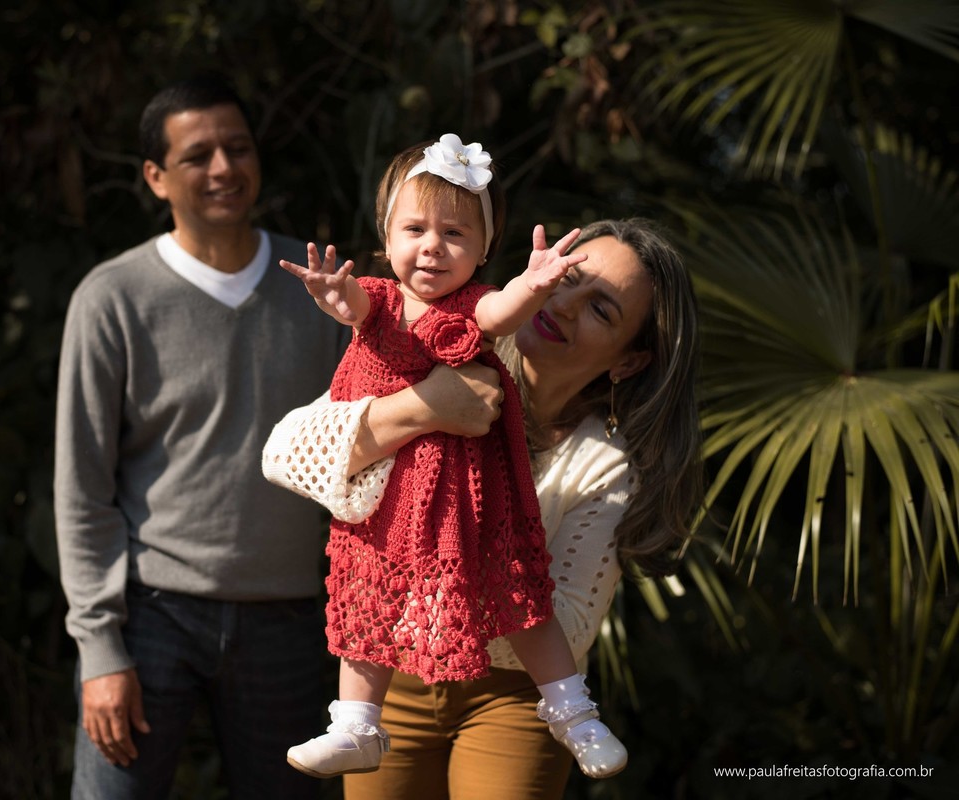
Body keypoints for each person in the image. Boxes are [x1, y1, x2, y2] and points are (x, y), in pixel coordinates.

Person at [263, 217, 703, 799]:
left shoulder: (606, 462)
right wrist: (425, 408)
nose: (564, 305)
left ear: (629, 361)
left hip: (519, 696)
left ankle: (576, 720)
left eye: (601, 310)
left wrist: (443, 574)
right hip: (390, 677)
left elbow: (570, 628)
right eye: (566, 279)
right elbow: (283, 455)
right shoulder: (437, 350)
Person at [275, 135, 627, 780]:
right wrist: (336, 298)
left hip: (472, 503)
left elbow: (500, 311)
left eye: (455, 233)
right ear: (387, 240)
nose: (433, 246)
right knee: (365, 600)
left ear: (484, 249)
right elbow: (358, 306)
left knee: (523, 595)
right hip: (388, 504)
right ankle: (355, 726)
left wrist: (533, 285)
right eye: (415, 229)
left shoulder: (470, 305)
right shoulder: (380, 300)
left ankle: (574, 713)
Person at [53, 74, 344, 800]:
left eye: (238, 148)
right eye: (197, 155)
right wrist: (99, 648)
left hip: (287, 616)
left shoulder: (320, 291)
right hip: (149, 614)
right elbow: (82, 488)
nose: (223, 168)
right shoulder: (112, 299)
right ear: (156, 177)